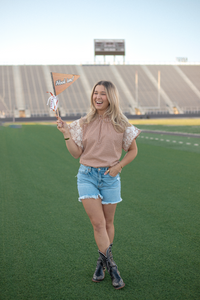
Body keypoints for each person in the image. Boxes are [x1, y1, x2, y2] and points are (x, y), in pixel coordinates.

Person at [56, 81, 141, 290]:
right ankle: (112, 267)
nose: (98, 96)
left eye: (103, 93)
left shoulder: (122, 123)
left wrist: (118, 166)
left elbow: (132, 151)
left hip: (110, 177)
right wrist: (66, 133)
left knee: (108, 223)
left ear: (111, 96)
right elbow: (77, 154)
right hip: (87, 175)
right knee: (98, 223)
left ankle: (100, 263)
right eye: (95, 93)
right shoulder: (84, 122)